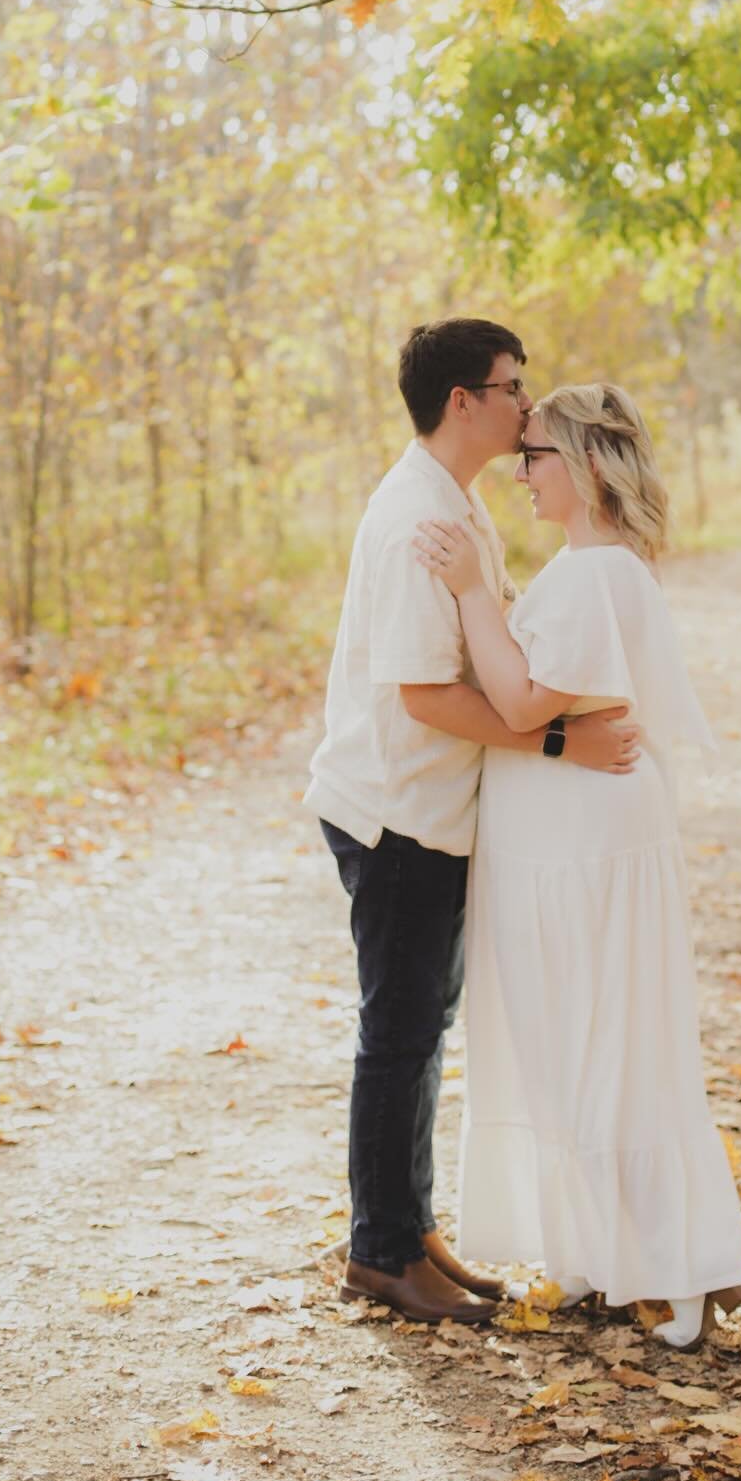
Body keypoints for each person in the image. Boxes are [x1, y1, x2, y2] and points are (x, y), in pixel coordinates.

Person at [305, 321, 644, 1326]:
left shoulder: (456, 505)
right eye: (510, 387)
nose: (526, 406)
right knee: (400, 1034)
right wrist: (555, 746)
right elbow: (421, 695)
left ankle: (407, 1230)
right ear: (463, 401)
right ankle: (381, 1252)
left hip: (434, 813)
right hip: (396, 812)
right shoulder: (418, 516)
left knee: (421, 1027)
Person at [414, 381, 741, 1349]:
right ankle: (611, 1254)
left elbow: (522, 704)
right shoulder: (586, 567)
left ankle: (672, 1271)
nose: (522, 473)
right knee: (570, 1041)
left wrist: (475, 588)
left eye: (538, 455)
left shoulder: (599, 574)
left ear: (590, 465)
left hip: (582, 845)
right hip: (556, 839)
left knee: (606, 1044)